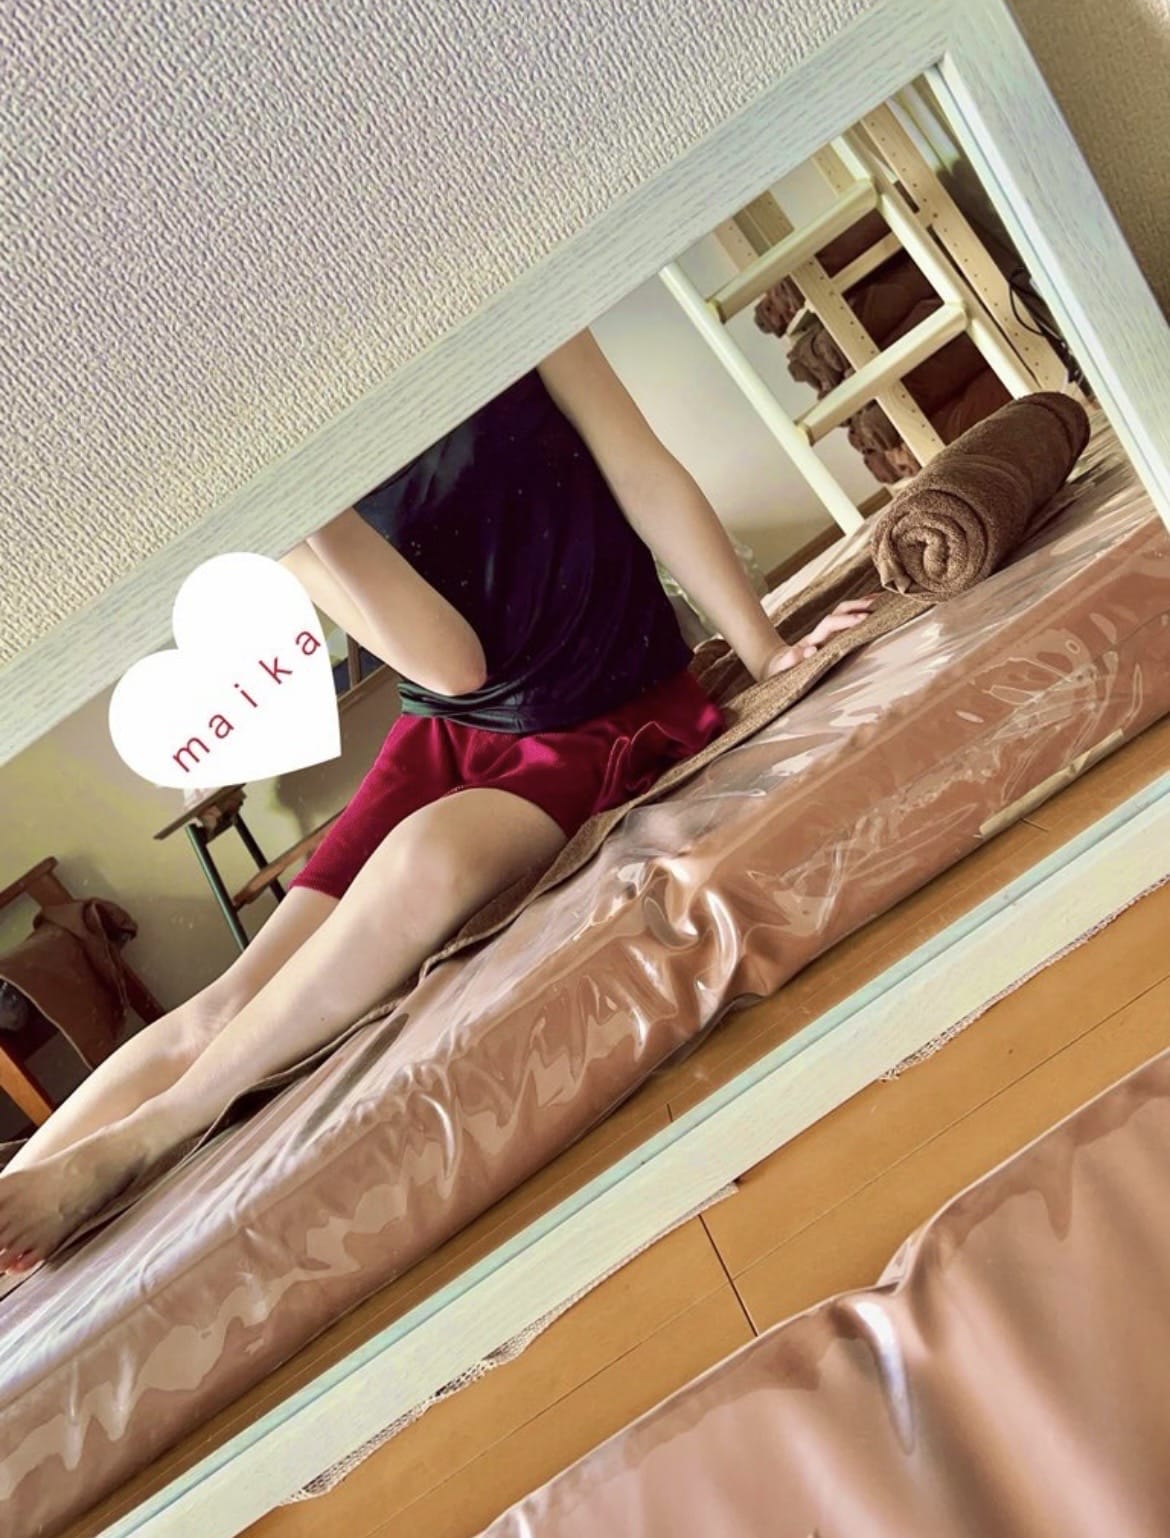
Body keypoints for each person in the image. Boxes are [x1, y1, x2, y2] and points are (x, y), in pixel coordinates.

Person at [0, 331, 872, 1272]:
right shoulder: (279, 494)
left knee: (427, 858)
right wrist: (297, 505)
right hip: (447, 734)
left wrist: (763, 648)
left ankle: (139, 1141)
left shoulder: (508, 323)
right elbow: (450, 672)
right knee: (227, 1004)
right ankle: (38, 1177)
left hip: (596, 712)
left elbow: (641, 470)